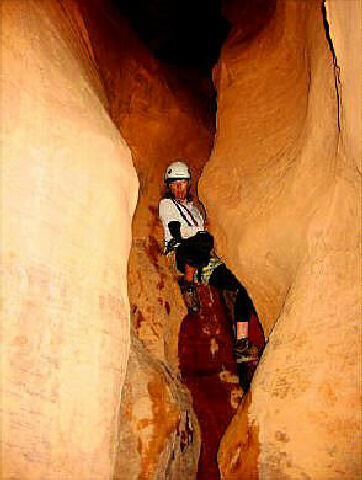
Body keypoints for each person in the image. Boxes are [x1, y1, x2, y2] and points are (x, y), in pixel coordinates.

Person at [158, 159, 259, 363]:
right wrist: (204, 230)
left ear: (188, 184)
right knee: (202, 238)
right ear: (169, 186)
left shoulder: (194, 209)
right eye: (175, 183)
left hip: (204, 260)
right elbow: (178, 233)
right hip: (181, 253)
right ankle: (188, 284)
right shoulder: (166, 204)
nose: (179, 188)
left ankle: (241, 343)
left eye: (183, 183)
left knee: (244, 287)